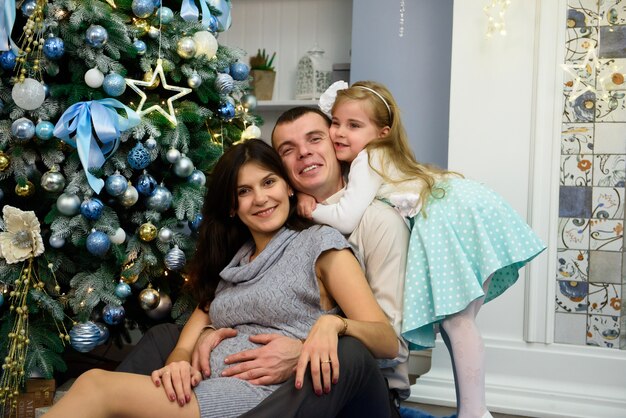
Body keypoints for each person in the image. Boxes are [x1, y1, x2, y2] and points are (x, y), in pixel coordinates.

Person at [43, 139, 398, 418]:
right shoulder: (238, 258)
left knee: (95, 387)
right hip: (205, 382)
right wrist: (182, 355)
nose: (261, 198)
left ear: (289, 187)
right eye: (244, 191)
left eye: (269, 182)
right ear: (232, 206)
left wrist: (334, 326)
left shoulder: (319, 244)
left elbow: (385, 341)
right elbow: (204, 313)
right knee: (159, 341)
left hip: (253, 397)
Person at [116, 107, 411, 417]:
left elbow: (389, 345)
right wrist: (198, 342)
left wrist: (310, 345)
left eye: (315, 139)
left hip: (354, 384)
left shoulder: (375, 223)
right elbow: (223, 303)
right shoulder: (263, 234)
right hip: (257, 383)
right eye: (288, 149)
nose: (304, 153)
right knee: (162, 339)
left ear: (336, 146)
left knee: (348, 350)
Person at [297, 80, 547, 418]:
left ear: (382, 132)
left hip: (448, 217)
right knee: (459, 324)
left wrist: (312, 210)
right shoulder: (381, 155)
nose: (340, 133)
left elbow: (346, 216)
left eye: (354, 125)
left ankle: (475, 412)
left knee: (458, 324)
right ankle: (474, 410)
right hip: (460, 210)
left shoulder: (368, 158)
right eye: (336, 122)